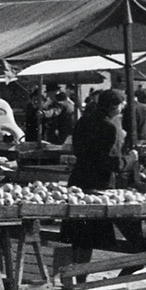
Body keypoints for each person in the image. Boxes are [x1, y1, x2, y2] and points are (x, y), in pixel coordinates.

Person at [60, 89, 128, 264]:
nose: (123, 108)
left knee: (77, 236)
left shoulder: (83, 121)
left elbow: (77, 149)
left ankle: (75, 277)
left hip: (78, 181)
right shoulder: (110, 127)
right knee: (88, 238)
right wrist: (131, 159)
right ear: (114, 107)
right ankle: (79, 278)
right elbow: (113, 163)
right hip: (98, 186)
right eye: (121, 105)